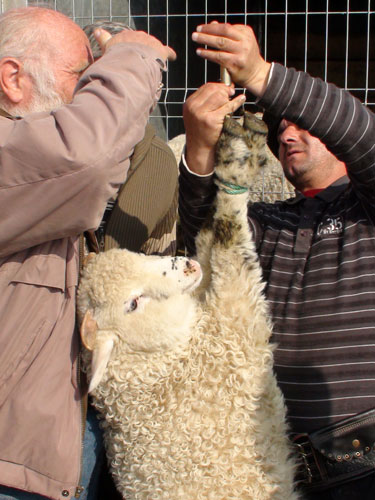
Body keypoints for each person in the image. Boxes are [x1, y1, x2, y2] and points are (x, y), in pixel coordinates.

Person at [179, 21, 375, 500]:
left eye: (302, 124)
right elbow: (207, 246)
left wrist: (262, 74)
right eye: (280, 129)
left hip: (364, 469)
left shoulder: (366, 209)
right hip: (277, 470)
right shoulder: (269, 222)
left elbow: (364, 133)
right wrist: (200, 150)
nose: (287, 134)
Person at [0, 6, 175, 500]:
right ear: (13, 78)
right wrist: (133, 57)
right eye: (82, 75)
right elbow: (86, 156)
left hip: (39, 453)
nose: (88, 90)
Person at [83, 21, 178, 258]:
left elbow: (156, 259)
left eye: (154, 81)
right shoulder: (55, 142)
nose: (152, 92)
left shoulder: (156, 159)